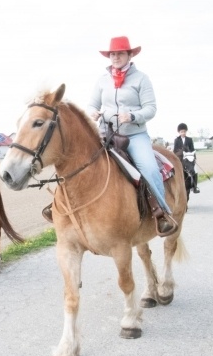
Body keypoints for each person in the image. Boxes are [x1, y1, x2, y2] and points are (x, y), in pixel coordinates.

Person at [85, 35, 178, 236]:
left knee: (149, 169)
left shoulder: (141, 79)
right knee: (81, 160)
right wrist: (92, 111)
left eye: (120, 53)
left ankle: (162, 215)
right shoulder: (102, 80)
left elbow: (151, 108)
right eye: (112, 54)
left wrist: (133, 115)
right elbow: (92, 104)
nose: (115, 57)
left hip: (134, 136)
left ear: (129, 55)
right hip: (106, 133)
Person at [173, 123, 199, 194]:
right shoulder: (176, 140)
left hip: (188, 157)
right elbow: (174, 150)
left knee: (195, 170)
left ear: (186, 131)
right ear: (179, 132)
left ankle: (195, 186)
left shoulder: (189, 140)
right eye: (181, 132)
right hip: (180, 158)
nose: (183, 133)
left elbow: (192, 149)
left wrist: (194, 158)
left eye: (184, 131)